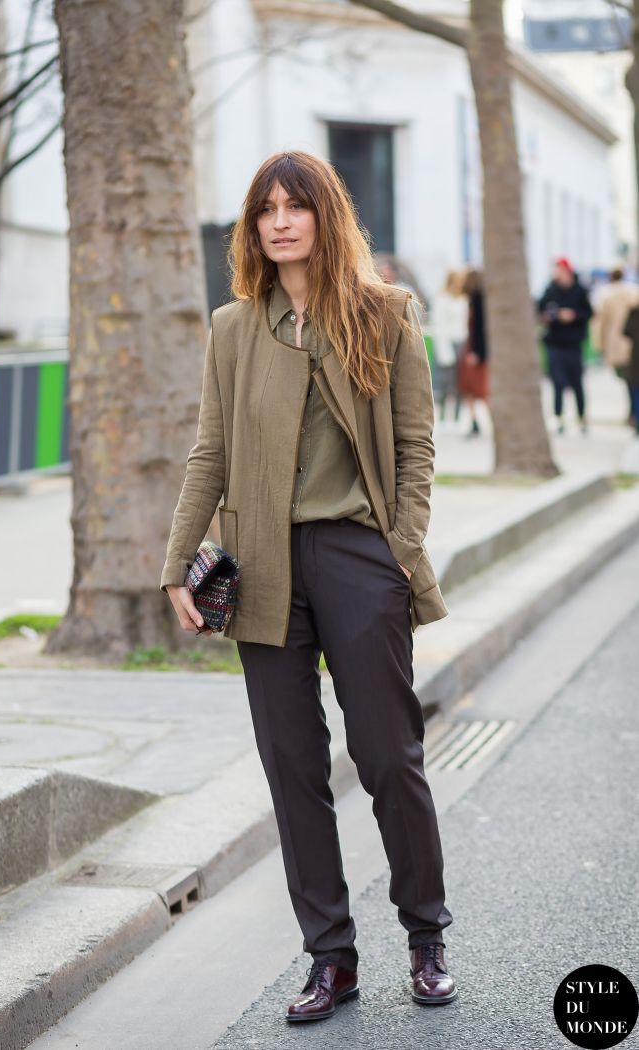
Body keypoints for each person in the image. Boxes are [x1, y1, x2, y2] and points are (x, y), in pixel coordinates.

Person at [160, 150, 456, 1023]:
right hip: (260, 566)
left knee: (387, 757)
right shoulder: (233, 327)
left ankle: (426, 935)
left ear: (327, 217)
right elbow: (209, 450)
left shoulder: (385, 313)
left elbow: (416, 447)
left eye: (298, 206)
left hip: (360, 559)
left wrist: (400, 549)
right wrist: (179, 559)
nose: (281, 221)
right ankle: (331, 957)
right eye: (266, 209)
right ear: (252, 226)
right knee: (292, 766)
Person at [537, 257, 593, 435]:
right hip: (555, 342)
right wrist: (548, 316)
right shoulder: (550, 290)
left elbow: (589, 312)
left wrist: (573, 315)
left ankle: (582, 417)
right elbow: (540, 309)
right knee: (558, 382)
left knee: (577, 382)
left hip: (573, 343)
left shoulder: (579, 290)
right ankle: (558, 417)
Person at [592, 267, 639, 427]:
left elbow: (601, 323)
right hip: (632, 342)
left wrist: (600, 344)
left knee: (629, 380)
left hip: (616, 341)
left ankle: (633, 412)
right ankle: (633, 411)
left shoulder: (606, 295)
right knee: (633, 379)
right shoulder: (633, 292)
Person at [431, 268, 467, 424]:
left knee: (461, 382)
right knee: (446, 382)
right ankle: (444, 417)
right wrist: (444, 350)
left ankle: (457, 417)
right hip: (447, 343)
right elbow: (439, 325)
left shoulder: (462, 299)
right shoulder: (442, 299)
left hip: (461, 343)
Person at [458, 267, 489, 437]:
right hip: (471, 349)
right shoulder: (474, 299)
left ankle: (485, 420)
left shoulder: (477, 300)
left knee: (480, 390)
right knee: (469, 389)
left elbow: (479, 329)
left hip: (474, 351)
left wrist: (476, 352)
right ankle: (474, 420)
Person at [621, 303, 639, 435]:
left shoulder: (634, 311)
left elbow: (626, 331)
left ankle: (636, 420)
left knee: (636, 391)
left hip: (636, 358)